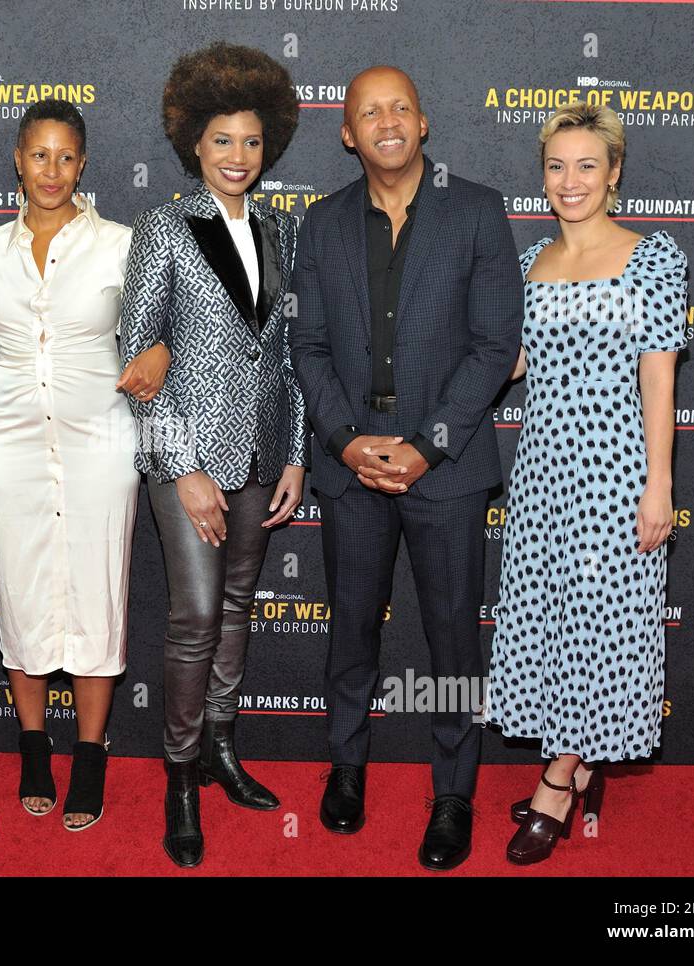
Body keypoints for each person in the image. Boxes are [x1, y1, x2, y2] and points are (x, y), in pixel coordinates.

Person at [289, 66, 524, 871]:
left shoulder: (477, 210)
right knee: (351, 628)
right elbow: (308, 345)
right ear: (347, 133)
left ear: (422, 123)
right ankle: (346, 766)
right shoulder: (321, 222)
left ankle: (453, 794)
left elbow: (495, 345)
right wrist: (346, 440)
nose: (386, 121)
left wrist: (427, 444)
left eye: (400, 108)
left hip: (446, 468)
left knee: (453, 638)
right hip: (350, 465)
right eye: (368, 112)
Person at [0, 99, 170, 832]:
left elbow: (163, 323)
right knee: (21, 592)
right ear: (17, 159)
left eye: (66, 156)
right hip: (10, 445)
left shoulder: (121, 244)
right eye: (39, 155)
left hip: (100, 442)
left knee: (97, 595)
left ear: (83, 164)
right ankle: (33, 746)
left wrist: (161, 348)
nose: (52, 170)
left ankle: (90, 753)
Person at [120, 42, 306, 869]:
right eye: (223, 140)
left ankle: (220, 747)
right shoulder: (163, 228)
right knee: (195, 617)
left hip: (262, 452)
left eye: (252, 141)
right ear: (194, 143)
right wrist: (183, 467)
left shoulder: (281, 229)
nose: (238, 155)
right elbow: (138, 357)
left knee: (237, 606)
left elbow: (288, 355)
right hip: (186, 458)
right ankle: (180, 774)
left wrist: (294, 454)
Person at [486, 104, 686, 865]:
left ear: (614, 173)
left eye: (587, 166)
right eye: (556, 166)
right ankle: (581, 765)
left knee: (599, 627)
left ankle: (556, 782)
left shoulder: (650, 259)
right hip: (542, 472)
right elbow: (510, 364)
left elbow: (659, 381)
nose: (570, 181)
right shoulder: (532, 259)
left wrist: (658, 485)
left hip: (614, 473)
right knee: (550, 619)